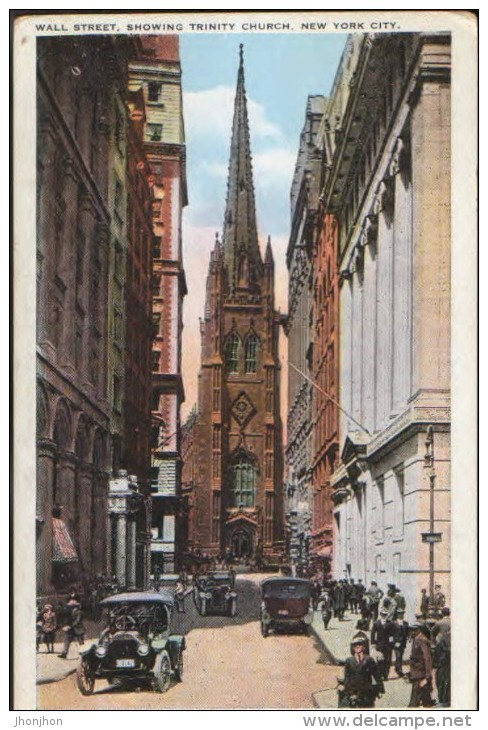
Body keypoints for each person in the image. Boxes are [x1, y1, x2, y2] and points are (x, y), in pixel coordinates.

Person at [338, 632, 384, 708]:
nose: (357, 646)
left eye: (360, 644)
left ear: (364, 647)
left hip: (367, 693)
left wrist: (380, 689)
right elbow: (347, 678)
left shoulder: (369, 660)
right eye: (355, 645)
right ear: (352, 648)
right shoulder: (349, 661)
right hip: (354, 693)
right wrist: (350, 693)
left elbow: (377, 675)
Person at [408, 622, 435, 707]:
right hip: (417, 672)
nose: (412, 632)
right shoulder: (416, 639)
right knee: (426, 699)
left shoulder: (420, 640)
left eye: (414, 630)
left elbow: (427, 658)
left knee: (414, 702)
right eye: (411, 630)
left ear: (419, 630)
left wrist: (427, 675)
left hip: (420, 673)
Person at [371, 608, 394, 680]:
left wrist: (392, 642)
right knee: (380, 660)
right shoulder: (376, 623)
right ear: (380, 614)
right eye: (382, 614)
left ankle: (386, 674)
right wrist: (373, 643)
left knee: (388, 660)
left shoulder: (390, 623)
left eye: (385, 614)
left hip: (388, 645)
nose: (384, 616)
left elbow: (392, 633)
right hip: (379, 644)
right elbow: (372, 633)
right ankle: (380, 674)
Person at [391, 609, 409, 677]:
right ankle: (399, 671)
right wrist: (393, 642)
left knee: (400, 656)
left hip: (403, 643)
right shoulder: (394, 623)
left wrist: (407, 638)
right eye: (400, 614)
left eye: (402, 614)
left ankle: (397, 668)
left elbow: (407, 633)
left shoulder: (405, 623)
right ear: (397, 615)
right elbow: (391, 634)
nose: (401, 615)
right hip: (396, 643)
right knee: (398, 656)